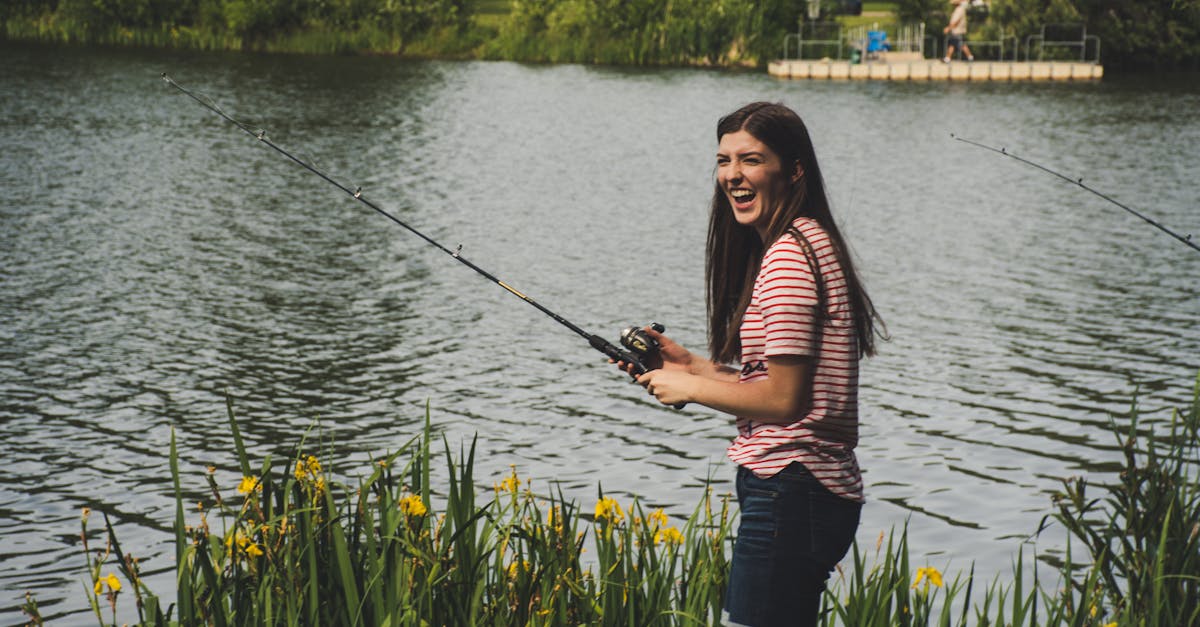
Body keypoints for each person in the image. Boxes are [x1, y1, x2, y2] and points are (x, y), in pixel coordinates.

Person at [619, 102, 885, 626]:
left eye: (751, 160)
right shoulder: (812, 240)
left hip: (791, 488)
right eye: (723, 161)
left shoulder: (786, 259)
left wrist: (688, 390)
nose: (732, 176)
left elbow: (784, 402)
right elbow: (776, 384)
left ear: (794, 169)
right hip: (811, 488)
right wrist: (690, 365)